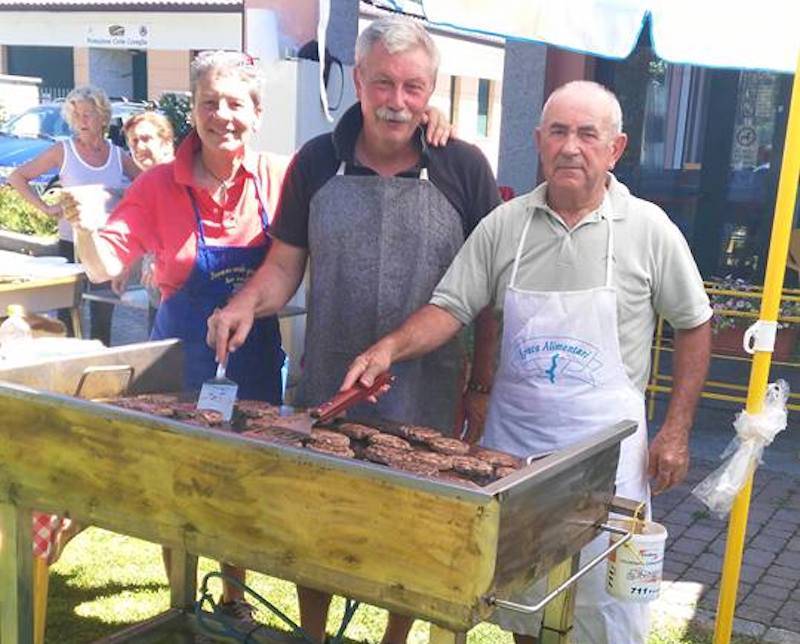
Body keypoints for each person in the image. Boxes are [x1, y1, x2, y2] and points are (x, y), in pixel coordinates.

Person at [340, 80, 713, 644]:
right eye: (558, 132)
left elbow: (694, 323)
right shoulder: (505, 225)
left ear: (615, 149)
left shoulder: (649, 229)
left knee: (603, 607)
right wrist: (387, 348)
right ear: (539, 141)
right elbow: (450, 307)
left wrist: (677, 429)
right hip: (515, 458)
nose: (571, 147)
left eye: (588, 134)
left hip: (608, 464)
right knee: (522, 600)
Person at [207, 16, 500, 644]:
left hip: (425, 385)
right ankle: (313, 635)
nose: (398, 102)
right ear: (360, 81)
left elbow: (490, 295)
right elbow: (283, 266)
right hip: (329, 379)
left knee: (413, 526)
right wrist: (244, 305)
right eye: (384, 83)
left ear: (431, 90)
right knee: (319, 520)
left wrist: (481, 385)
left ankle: (395, 637)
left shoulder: (463, 166)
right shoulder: (317, 160)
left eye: (414, 87)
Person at [60, 50, 288, 623]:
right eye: (209, 102)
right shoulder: (159, 185)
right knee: (178, 486)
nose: (222, 115)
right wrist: (84, 228)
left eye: (235, 103)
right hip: (181, 365)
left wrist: (432, 126)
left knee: (242, 488)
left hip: (255, 364)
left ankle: (234, 600)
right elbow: (101, 265)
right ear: (193, 110)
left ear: (257, 112)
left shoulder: (280, 178)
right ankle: (182, 601)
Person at [8, 85, 139, 344]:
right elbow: (17, 176)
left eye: (87, 114)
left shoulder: (117, 155)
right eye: (76, 115)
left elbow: (147, 186)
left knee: (102, 320)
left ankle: (100, 366)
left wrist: (127, 209)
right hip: (72, 245)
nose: (81, 121)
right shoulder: (63, 150)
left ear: (103, 117)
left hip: (105, 248)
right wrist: (46, 208)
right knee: (68, 319)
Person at [112, 111, 178, 329]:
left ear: (167, 142)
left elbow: (190, 232)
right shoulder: (145, 183)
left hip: (183, 297)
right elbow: (140, 234)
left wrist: (162, 261)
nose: (139, 147)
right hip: (157, 294)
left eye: (146, 139)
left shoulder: (179, 179)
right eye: (133, 142)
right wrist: (125, 267)